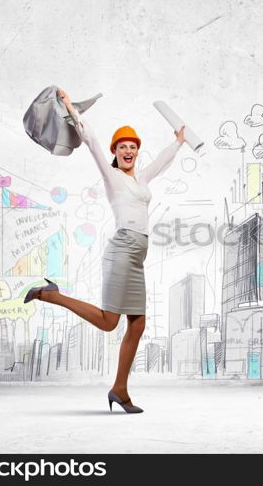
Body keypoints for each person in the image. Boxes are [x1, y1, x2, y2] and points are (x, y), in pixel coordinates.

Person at [23, 87, 185, 413]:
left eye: (133, 147)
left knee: (137, 324)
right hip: (123, 249)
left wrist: (178, 141)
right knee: (111, 322)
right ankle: (50, 294)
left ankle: (120, 390)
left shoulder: (141, 180)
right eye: (123, 147)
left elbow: (162, 163)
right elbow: (91, 140)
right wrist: (70, 107)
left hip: (139, 254)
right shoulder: (112, 177)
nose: (128, 151)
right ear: (116, 151)